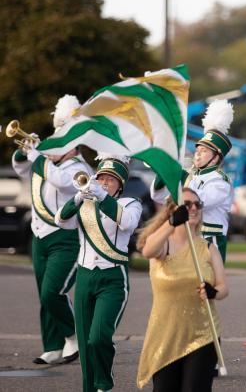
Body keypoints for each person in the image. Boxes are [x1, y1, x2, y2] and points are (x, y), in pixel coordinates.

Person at [11, 95, 92, 365]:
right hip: (39, 237)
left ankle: (73, 337)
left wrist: (37, 156)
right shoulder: (47, 164)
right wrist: (25, 152)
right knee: (43, 295)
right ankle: (53, 346)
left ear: (72, 147)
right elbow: (21, 169)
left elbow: (61, 183)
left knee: (52, 292)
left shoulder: (79, 168)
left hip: (66, 238)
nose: (51, 148)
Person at [55, 154, 142, 392]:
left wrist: (101, 196)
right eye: (101, 177)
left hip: (113, 279)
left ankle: (104, 383)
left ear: (120, 185)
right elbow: (60, 220)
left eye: (110, 179)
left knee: (99, 337)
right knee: (85, 343)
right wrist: (78, 197)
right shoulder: (85, 203)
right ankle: (89, 388)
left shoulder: (130, 203)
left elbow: (127, 223)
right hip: (85, 277)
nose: (104, 182)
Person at [136, 188, 228, 391]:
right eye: (187, 204)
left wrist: (214, 292)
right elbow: (147, 250)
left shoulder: (208, 248)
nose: (194, 208)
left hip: (202, 334)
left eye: (198, 205)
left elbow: (223, 288)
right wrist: (171, 223)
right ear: (174, 209)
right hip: (165, 335)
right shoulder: (163, 245)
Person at [152, 99, 234, 261]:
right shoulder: (192, 174)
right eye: (198, 149)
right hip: (186, 235)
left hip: (209, 239)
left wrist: (181, 176)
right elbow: (161, 198)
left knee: (208, 282)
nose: (197, 153)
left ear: (216, 158)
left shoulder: (221, 181)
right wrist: (164, 175)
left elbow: (200, 201)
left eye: (204, 151)